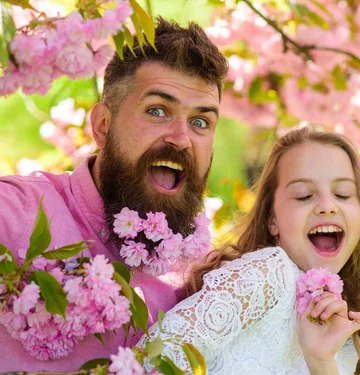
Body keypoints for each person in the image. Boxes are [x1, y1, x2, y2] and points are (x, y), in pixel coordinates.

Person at [0, 17, 228, 371]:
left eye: (201, 121)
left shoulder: (204, 280)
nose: (181, 137)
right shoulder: (15, 213)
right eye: (158, 111)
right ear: (103, 126)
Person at [138, 127, 360, 375]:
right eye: (304, 196)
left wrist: (320, 361)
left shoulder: (347, 322)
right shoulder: (268, 272)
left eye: (343, 194)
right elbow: (152, 360)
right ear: (273, 220)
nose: (327, 205)